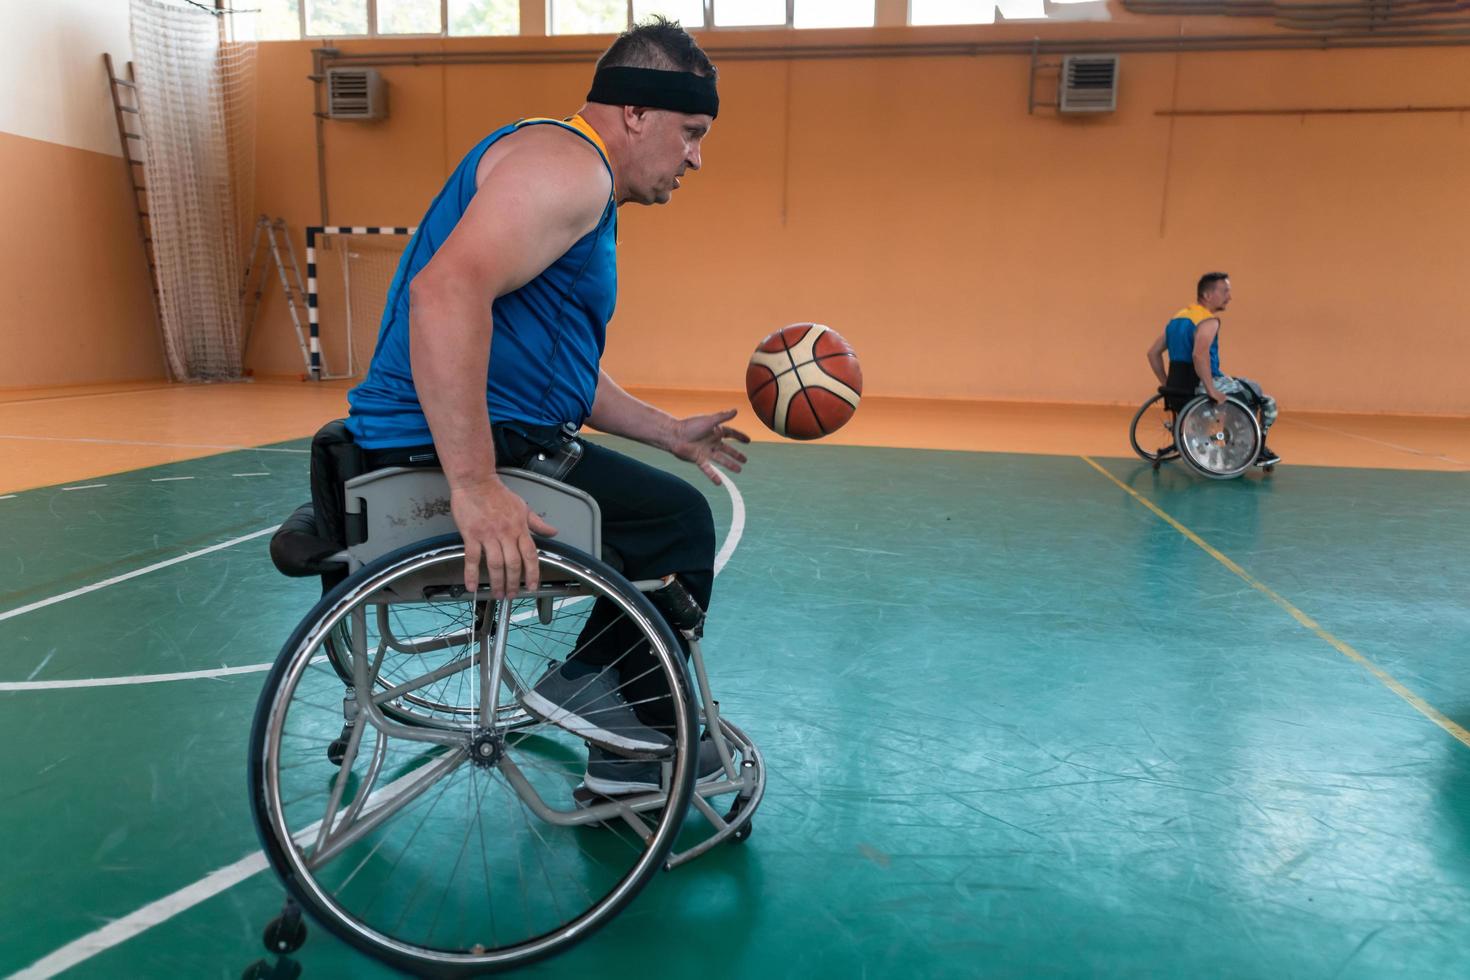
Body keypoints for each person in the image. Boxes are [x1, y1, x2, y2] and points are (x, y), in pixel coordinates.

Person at [343, 17, 749, 793]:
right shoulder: (572, 170)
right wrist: (473, 484)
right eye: (692, 132)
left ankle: (621, 740)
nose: (698, 156)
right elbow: (444, 293)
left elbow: (553, 368)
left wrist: (666, 431)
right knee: (677, 524)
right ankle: (601, 697)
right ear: (636, 112)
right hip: (438, 448)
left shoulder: (556, 165)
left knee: (653, 506)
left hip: (451, 430)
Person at [1145, 272, 1280, 467]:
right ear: (1208, 295)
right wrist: (1211, 389)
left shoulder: (1178, 318)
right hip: (1200, 384)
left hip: (1179, 386)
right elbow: (1199, 355)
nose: (1229, 297)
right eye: (1225, 291)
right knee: (1260, 396)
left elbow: (1152, 353)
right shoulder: (1208, 321)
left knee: (1246, 385)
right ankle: (1254, 448)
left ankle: (1248, 444)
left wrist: (1167, 384)